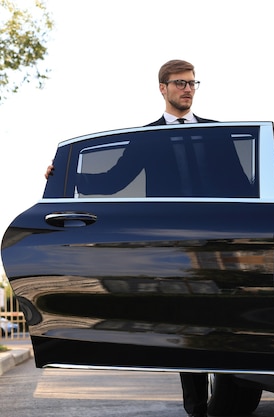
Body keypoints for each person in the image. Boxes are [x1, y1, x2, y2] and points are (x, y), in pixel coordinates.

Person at [45, 59, 213, 417]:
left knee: (232, 322)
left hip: (224, 238)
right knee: (191, 326)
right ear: (163, 88)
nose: (188, 89)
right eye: (180, 83)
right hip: (175, 244)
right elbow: (111, 181)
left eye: (193, 82)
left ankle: (240, 385)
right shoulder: (147, 139)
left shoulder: (219, 133)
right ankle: (197, 409)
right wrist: (65, 174)